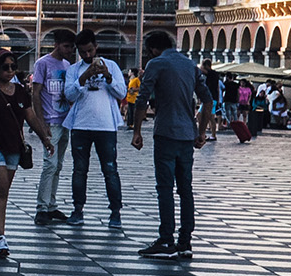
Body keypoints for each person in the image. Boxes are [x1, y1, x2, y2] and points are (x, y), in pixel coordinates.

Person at [128, 30, 211, 261]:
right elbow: (208, 99)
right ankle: (185, 241)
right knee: (185, 189)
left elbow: (142, 99)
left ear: (153, 48)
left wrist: (136, 131)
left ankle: (166, 239)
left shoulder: (157, 63)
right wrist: (202, 132)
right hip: (187, 134)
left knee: (165, 188)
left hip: (165, 132)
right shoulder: (190, 65)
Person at [0, 47, 54, 259]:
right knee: (1, 189)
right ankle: (1, 237)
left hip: (13, 147)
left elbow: (31, 116)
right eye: (5, 67)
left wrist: (45, 138)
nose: (10, 71)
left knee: (1, 193)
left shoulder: (20, 92)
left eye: (13, 67)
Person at [61, 29, 126, 226]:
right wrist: (84, 76)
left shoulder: (112, 66)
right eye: (83, 52)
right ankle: (77, 209)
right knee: (79, 170)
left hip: (106, 126)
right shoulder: (74, 69)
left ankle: (115, 212)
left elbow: (121, 92)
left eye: (90, 51)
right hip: (81, 126)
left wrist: (107, 76)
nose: (87, 56)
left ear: (96, 47)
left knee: (110, 169)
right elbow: (69, 95)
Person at [29, 28, 77, 224]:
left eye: (71, 47)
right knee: (49, 164)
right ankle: (42, 207)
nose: (69, 50)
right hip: (50, 120)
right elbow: (35, 93)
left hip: (65, 120)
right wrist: (41, 123)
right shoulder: (43, 64)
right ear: (56, 44)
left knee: (58, 165)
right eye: (66, 46)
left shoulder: (68, 65)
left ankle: (51, 205)